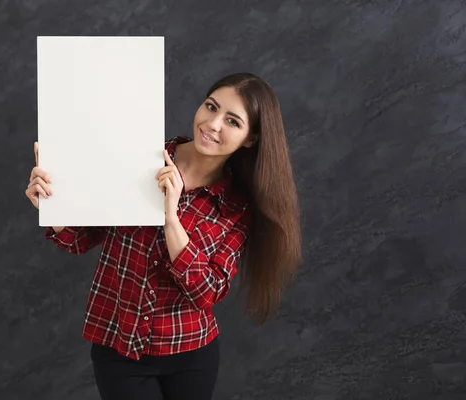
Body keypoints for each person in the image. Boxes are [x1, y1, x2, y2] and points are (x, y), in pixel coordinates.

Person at [25, 72, 302, 400]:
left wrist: (170, 218)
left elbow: (207, 292)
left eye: (231, 120)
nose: (213, 124)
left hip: (191, 353)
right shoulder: (138, 160)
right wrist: (53, 206)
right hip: (120, 347)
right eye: (210, 107)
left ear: (250, 138)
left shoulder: (236, 206)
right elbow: (80, 238)